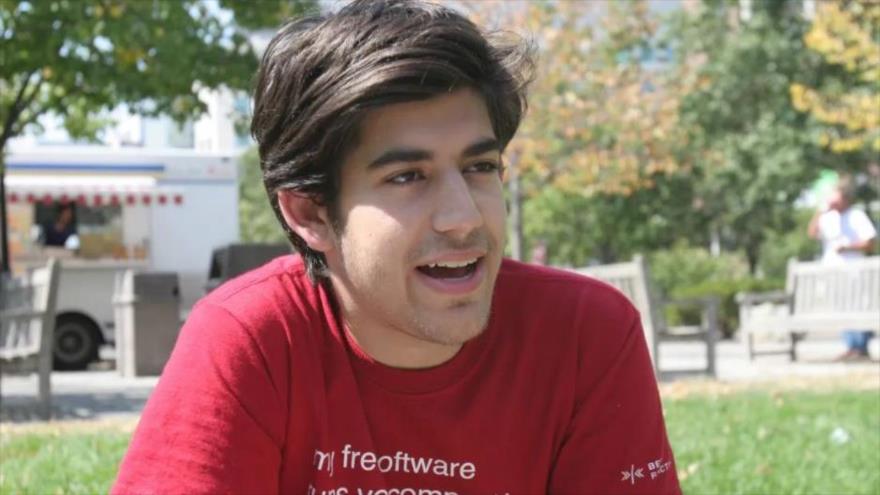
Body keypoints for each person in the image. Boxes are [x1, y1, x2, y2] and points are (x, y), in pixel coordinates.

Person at [113, 1, 680, 493]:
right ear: (310, 213)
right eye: (408, 176)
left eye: (480, 167)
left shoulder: (585, 334)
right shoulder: (252, 338)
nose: (464, 217)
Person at [808, 179, 878, 360]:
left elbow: (870, 242)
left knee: (857, 307)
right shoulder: (827, 217)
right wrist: (820, 210)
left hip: (854, 271)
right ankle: (850, 345)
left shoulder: (856, 216)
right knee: (841, 307)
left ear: (846, 199)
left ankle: (860, 347)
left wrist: (847, 247)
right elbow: (812, 233)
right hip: (833, 271)